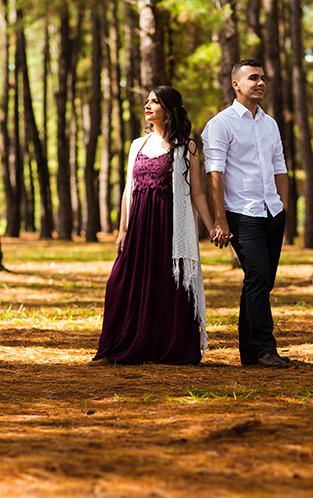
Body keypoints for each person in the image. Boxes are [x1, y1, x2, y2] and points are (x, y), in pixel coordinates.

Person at [93, 86, 227, 365]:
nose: (148, 105)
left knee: (167, 287)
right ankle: (116, 346)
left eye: (155, 101)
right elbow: (128, 190)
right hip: (139, 228)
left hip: (169, 229)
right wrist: (122, 229)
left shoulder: (186, 147)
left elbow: (197, 192)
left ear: (169, 109)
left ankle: (167, 348)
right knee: (120, 284)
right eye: (148, 100)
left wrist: (214, 224)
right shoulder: (136, 146)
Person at [201, 59, 291, 369]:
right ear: (236, 84)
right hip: (242, 213)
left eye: (263, 77)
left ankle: (250, 353)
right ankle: (265, 349)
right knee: (258, 277)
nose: (261, 83)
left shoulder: (270, 124)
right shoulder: (221, 124)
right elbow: (215, 172)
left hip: (272, 212)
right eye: (253, 78)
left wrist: (283, 207)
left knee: (261, 282)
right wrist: (220, 218)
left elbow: (280, 166)